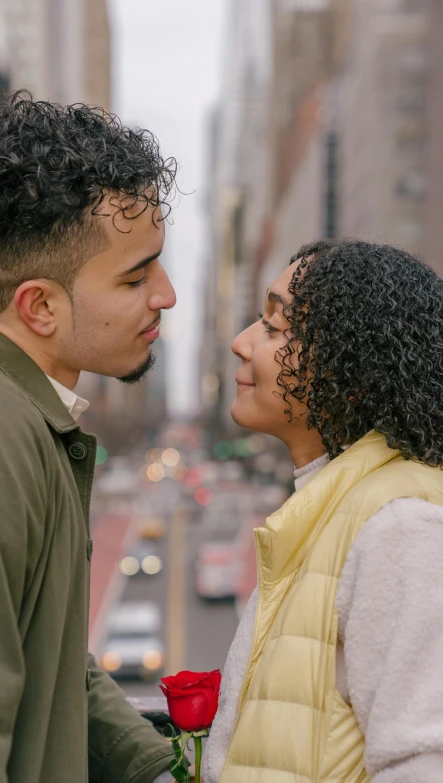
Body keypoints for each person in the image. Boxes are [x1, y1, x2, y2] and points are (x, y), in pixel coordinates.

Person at [0, 92, 180, 783]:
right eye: (136, 274)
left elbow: (49, 662)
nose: (167, 294)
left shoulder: (16, 416)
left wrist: (153, 764)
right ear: (39, 305)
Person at [203, 239, 443, 783]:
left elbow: (424, 764)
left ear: (350, 371)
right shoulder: (328, 510)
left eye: (273, 327)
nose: (241, 343)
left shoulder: (403, 525)